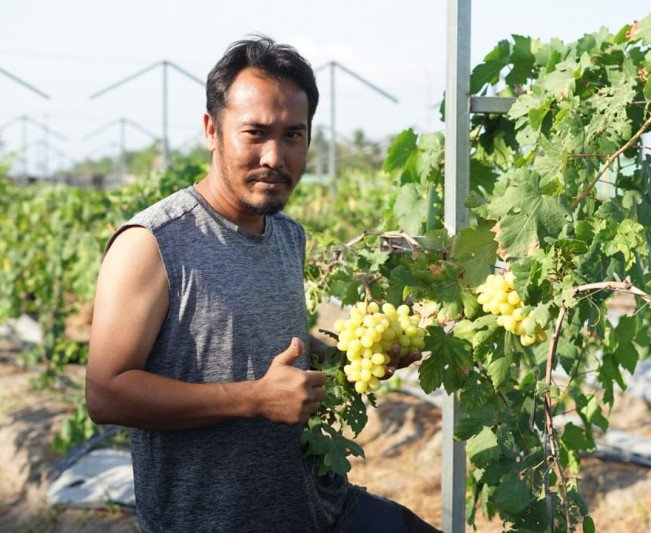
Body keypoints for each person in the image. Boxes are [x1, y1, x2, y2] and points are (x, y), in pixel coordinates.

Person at [85, 34, 439, 533]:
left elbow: (268, 349)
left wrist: (347, 359)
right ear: (212, 130)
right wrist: (255, 398)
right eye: (255, 133)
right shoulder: (152, 244)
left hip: (321, 508)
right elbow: (106, 394)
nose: (275, 156)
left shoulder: (288, 235)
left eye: (293, 135)